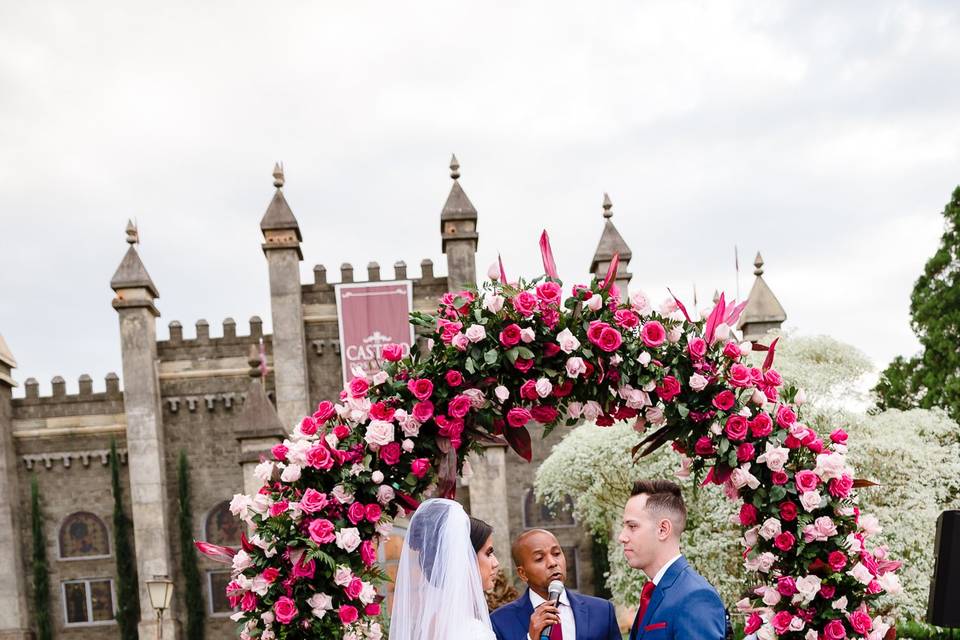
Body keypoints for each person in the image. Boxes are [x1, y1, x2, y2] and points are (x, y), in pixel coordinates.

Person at [618, 479, 725, 640]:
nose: (622, 537)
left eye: (632, 526)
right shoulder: (655, 592)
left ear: (663, 529)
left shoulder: (696, 597)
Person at [390, 498, 500, 640]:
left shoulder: (436, 621)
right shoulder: (469, 630)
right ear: (466, 559)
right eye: (488, 553)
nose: (496, 562)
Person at [490, 528, 620, 640]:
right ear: (522, 573)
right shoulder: (500, 622)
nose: (552, 562)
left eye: (556, 553)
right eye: (539, 558)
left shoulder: (602, 611)